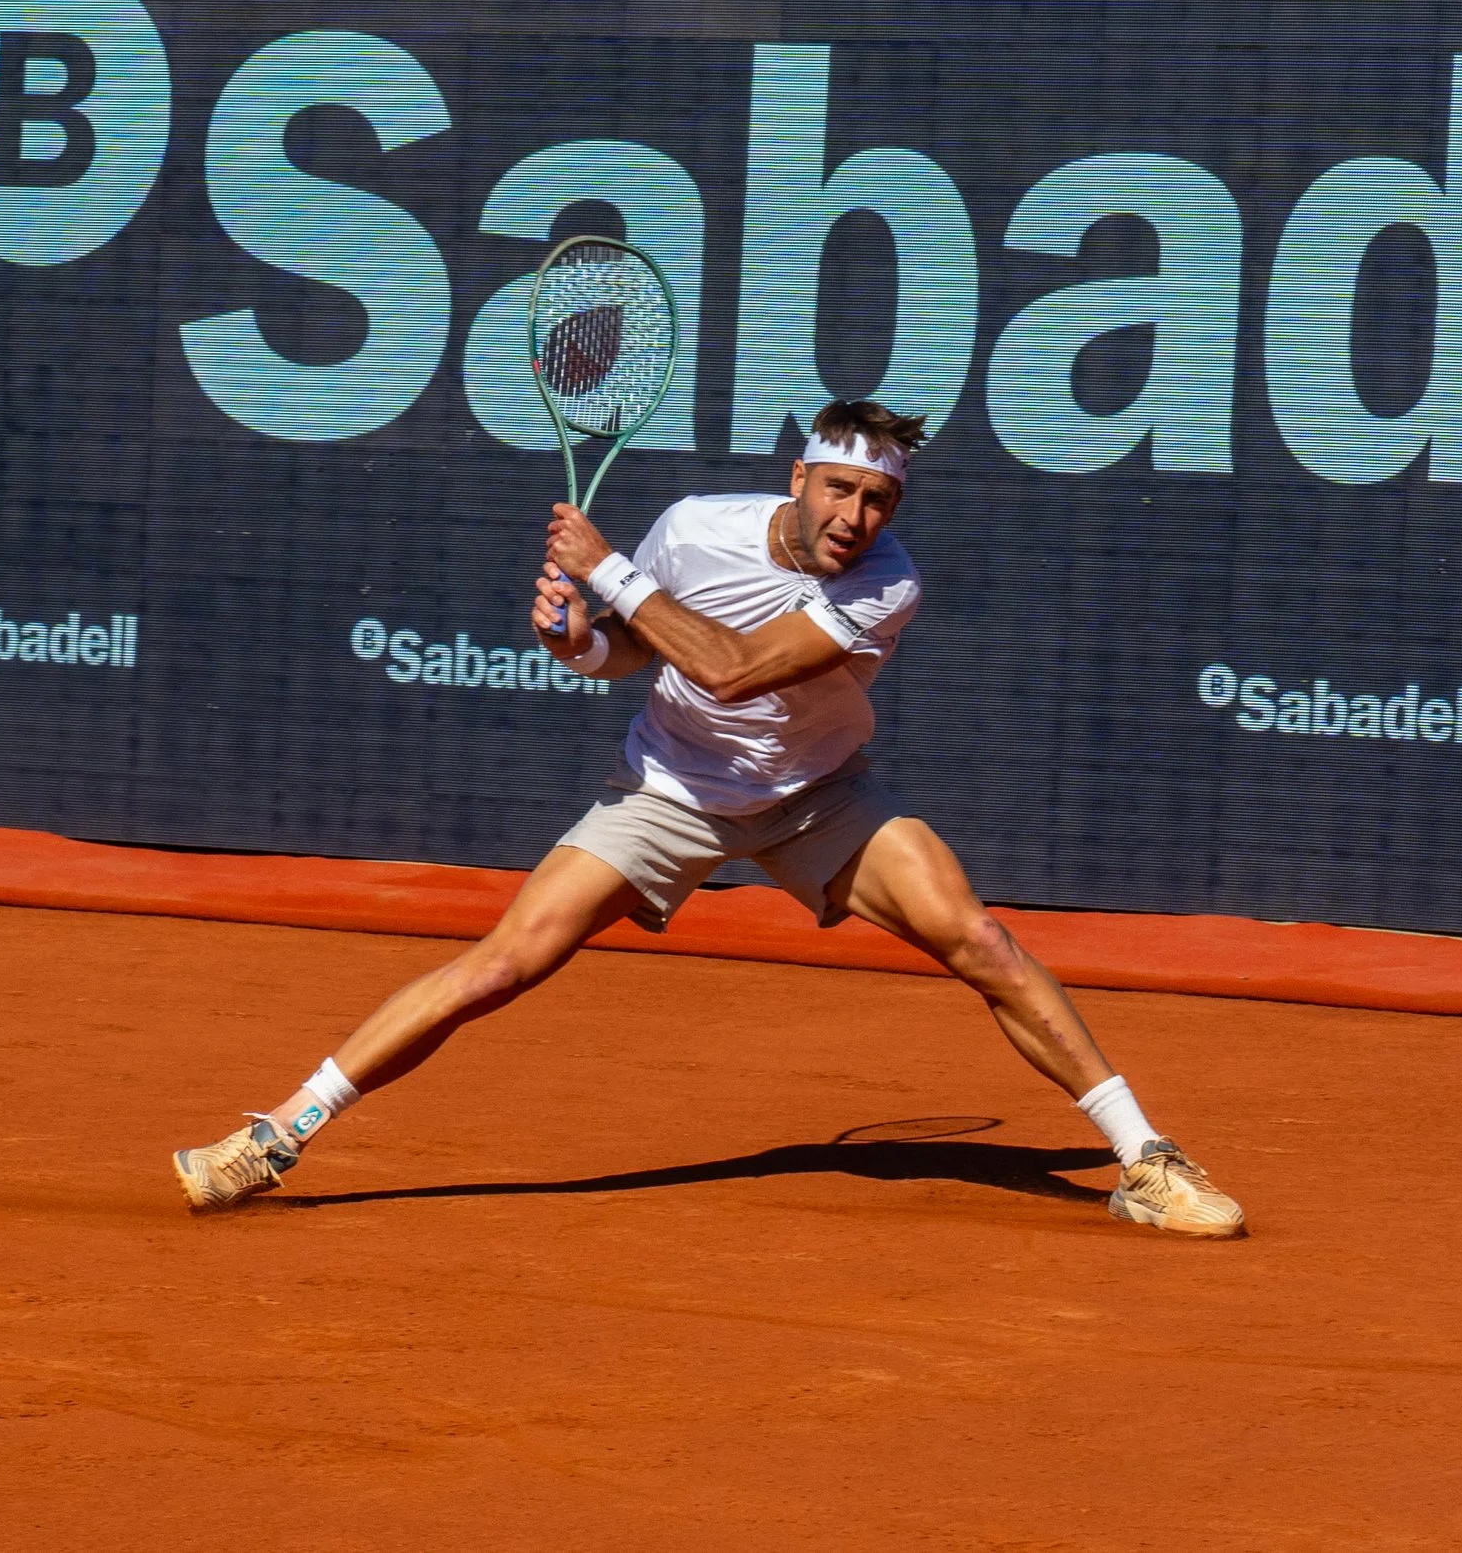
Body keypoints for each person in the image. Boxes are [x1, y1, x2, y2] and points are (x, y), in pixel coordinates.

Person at [172, 398, 1245, 1237]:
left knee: (980, 936)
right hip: (668, 790)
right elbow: (641, 647)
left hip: (816, 794)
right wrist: (580, 643)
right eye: (837, 490)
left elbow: (731, 668)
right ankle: (275, 1132)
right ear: (798, 477)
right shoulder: (693, 527)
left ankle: (1144, 1158)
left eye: (877, 502)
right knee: (505, 960)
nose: (853, 519)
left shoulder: (887, 583)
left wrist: (606, 571)